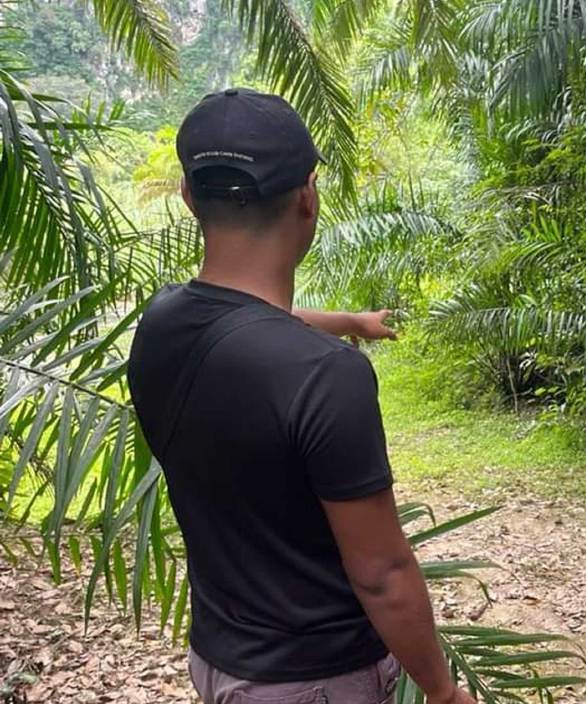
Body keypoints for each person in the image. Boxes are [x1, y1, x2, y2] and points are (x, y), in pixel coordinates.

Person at [126, 88, 475, 704]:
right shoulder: (323, 376)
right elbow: (383, 575)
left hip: (219, 665)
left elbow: (251, 320)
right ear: (307, 197)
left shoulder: (161, 322)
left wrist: (347, 320)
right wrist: (443, 693)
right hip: (315, 681)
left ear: (188, 197)